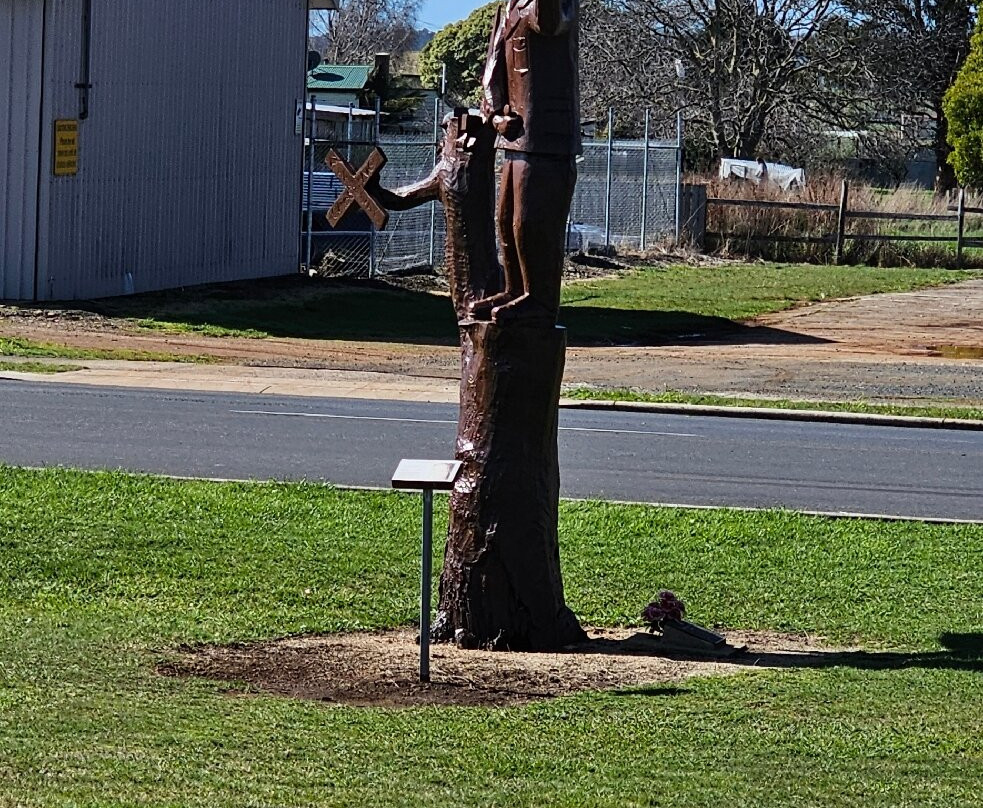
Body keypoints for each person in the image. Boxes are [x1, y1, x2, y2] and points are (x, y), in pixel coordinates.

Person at [468, 0, 581, 326]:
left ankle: (539, 299)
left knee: (530, 223)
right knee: (505, 218)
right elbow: (492, 66)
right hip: (516, 134)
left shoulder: (560, 6)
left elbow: (548, 24)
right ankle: (515, 288)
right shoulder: (508, 9)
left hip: (548, 137)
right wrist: (495, 114)